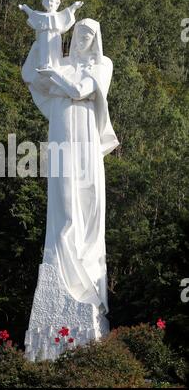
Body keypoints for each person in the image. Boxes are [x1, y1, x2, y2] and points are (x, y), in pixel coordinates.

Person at [22, 18, 119, 314]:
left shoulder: (102, 64)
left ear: (96, 39)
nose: (83, 38)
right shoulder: (61, 64)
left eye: (89, 34)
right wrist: (44, 35)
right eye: (79, 32)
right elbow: (31, 75)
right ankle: (61, 268)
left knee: (87, 201)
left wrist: (57, 77)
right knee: (64, 201)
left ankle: (86, 278)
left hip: (87, 140)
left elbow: (80, 90)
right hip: (62, 136)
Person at [19, 0, 83, 69]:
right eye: (47, 1)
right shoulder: (40, 15)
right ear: (43, 3)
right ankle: (43, 65)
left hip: (55, 36)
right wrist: (25, 8)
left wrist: (74, 6)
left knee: (54, 50)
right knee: (44, 50)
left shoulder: (59, 15)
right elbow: (32, 14)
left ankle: (55, 65)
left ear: (57, 3)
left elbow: (68, 12)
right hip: (43, 36)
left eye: (51, 1)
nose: (49, 3)